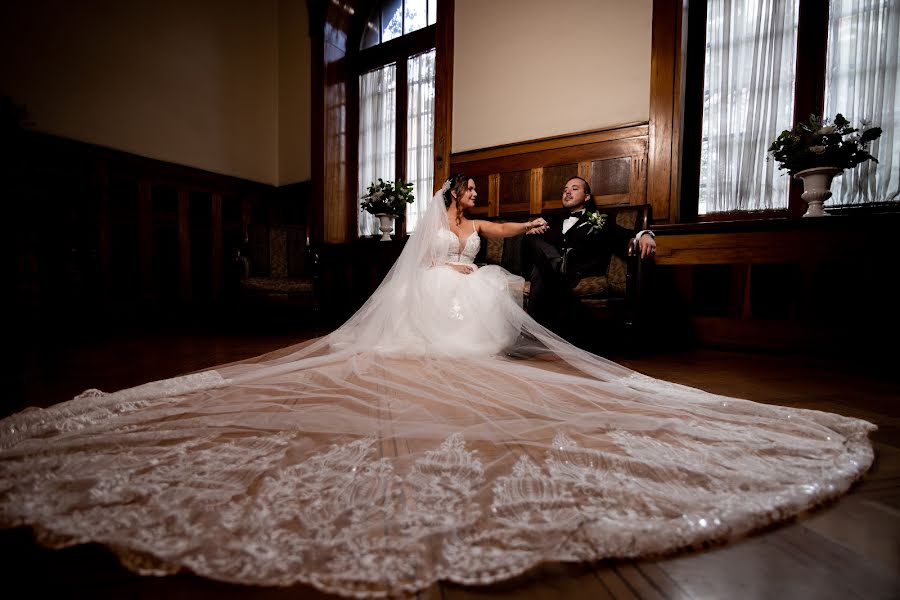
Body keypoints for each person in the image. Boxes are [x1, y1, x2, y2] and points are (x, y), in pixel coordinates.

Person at [0, 174, 876, 598]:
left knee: (490, 280)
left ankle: (474, 343)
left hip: (462, 285)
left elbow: (496, 229)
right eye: (463, 198)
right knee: (462, 285)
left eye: (468, 200)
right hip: (432, 292)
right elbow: (435, 258)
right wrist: (453, 266)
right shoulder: (431, 229)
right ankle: (448, 346)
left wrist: (524, 225)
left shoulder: (477, 219)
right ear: (444, 200)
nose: (468, 207)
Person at [524, 176, 655, 342]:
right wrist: (531, 230)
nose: (567, 192)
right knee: (531, 238)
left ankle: (532, 337)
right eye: (565, 190)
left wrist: (646, 234)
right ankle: (555, 266)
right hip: (554, 272)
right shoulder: (551, 220)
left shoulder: (597, 219)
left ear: (586, 197)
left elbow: (622, 234)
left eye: (574, 188)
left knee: (539, 274)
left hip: (578, 271)